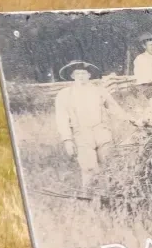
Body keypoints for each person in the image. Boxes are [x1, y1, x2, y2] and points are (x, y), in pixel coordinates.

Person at [54, 61, 140, 189]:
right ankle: (91, 197)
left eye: (84, 73)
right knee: (89, 168)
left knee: (109, 165)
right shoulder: (64, 94)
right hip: (81, 134)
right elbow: (61, 118)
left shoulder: (99, 91)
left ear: (89, 75)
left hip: (102, 132)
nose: (81, 76)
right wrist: (67, 140)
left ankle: (112, 194)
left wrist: (131, 119)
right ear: (72, 76)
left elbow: (113, 107)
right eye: (77, 73)